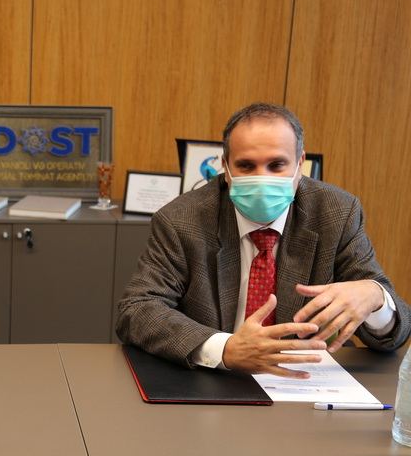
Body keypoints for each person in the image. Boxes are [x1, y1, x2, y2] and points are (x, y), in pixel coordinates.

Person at [117, 103, 410, 378]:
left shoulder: (336, 213)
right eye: (246, 166)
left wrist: (375, 298)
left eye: (276, 165)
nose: (261, 178)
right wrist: (224, 349)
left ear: (300, 164)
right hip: (215, 377)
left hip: (307, 381)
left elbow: (394, 336)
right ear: (226, 169)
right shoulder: (182, 219)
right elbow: (138, 309)